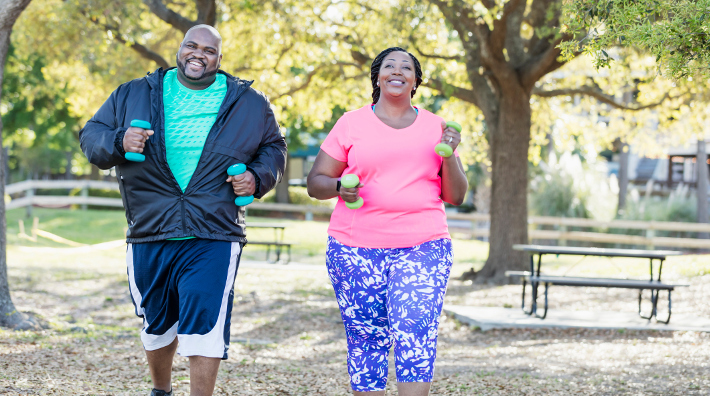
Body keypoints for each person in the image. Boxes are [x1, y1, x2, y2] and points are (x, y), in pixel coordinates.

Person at [79, 25, 286, 396]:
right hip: (150, 226)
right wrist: (118, 139)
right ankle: (161, 390)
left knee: (205, 320)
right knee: (156, 323)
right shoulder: (134, 93)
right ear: (179, 48)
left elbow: (274, 147)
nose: (198, 54)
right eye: (192, 45)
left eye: (209, 50)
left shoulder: (249, 102)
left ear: (219, 59)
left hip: (215, 229)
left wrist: (256, 178)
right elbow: (91, 135)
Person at [306, 47, 468, 396]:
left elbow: (455, 196)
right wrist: (339, 188)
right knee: (366, 337)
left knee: (415, 328)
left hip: (424, 244)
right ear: (378, 77)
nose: (397, 71)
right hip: (354, 248)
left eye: (406, 67)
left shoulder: (436, 126)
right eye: (389, 66)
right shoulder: (351, 123)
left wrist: (451, 153)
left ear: (415, 80)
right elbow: (315, 182)